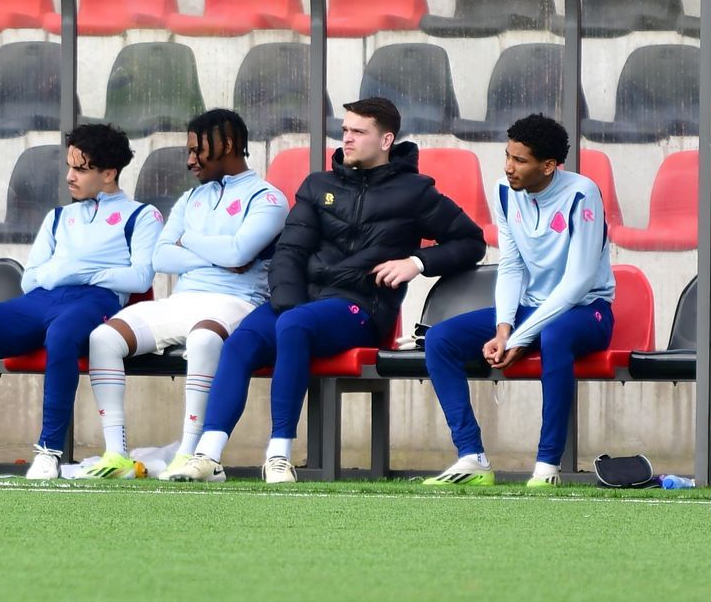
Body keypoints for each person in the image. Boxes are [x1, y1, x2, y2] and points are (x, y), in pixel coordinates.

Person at [164, 98, 486, 484]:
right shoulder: (318, 185)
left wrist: (416, 262)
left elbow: (471, 242)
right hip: (301, 304)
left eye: (358, 132)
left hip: (361, 307)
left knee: (294, 326)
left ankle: (279, 456)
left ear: (386, 140)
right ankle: (208, 455)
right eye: (345, 130)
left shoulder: (415, 192)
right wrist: (288, 303)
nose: (346, 138)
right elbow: (289, 252)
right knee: (241, 343)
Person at [0, 123, 160, 481]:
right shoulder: (59, 216)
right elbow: (31, 278)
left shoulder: (142, 215)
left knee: (62, 335)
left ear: (109, 173)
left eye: (81, 169)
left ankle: (49, 451)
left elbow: (140, 278)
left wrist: (77, 271)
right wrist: (67, 273)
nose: (69, 177)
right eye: (69, 166)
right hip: (40, 300)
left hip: (95, 302)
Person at [84, 109, 287, 477]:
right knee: (103, 338)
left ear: (227, 145)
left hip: (237, 302)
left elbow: (239, 253)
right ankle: (115, 454)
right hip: (182, 299)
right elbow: (161, 256)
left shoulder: (268, 198)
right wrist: (219, 253)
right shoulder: (191, 198)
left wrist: (188, 240)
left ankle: (190, 454)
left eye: (197, 150)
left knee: (205, 339)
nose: (190, 160)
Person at [423, 114, 614, 489]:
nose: (509, 167)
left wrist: (520, 337)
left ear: (548, 165)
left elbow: (577, 283)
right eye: (507, 156)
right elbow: (511, 265)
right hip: (530, 311)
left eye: (520, 160)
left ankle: (547, 467)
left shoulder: (583, 194)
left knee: (556, 336)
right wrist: (504, 329)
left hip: (586, 312)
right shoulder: (504, 190)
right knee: (439, 338)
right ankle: (472, 457)